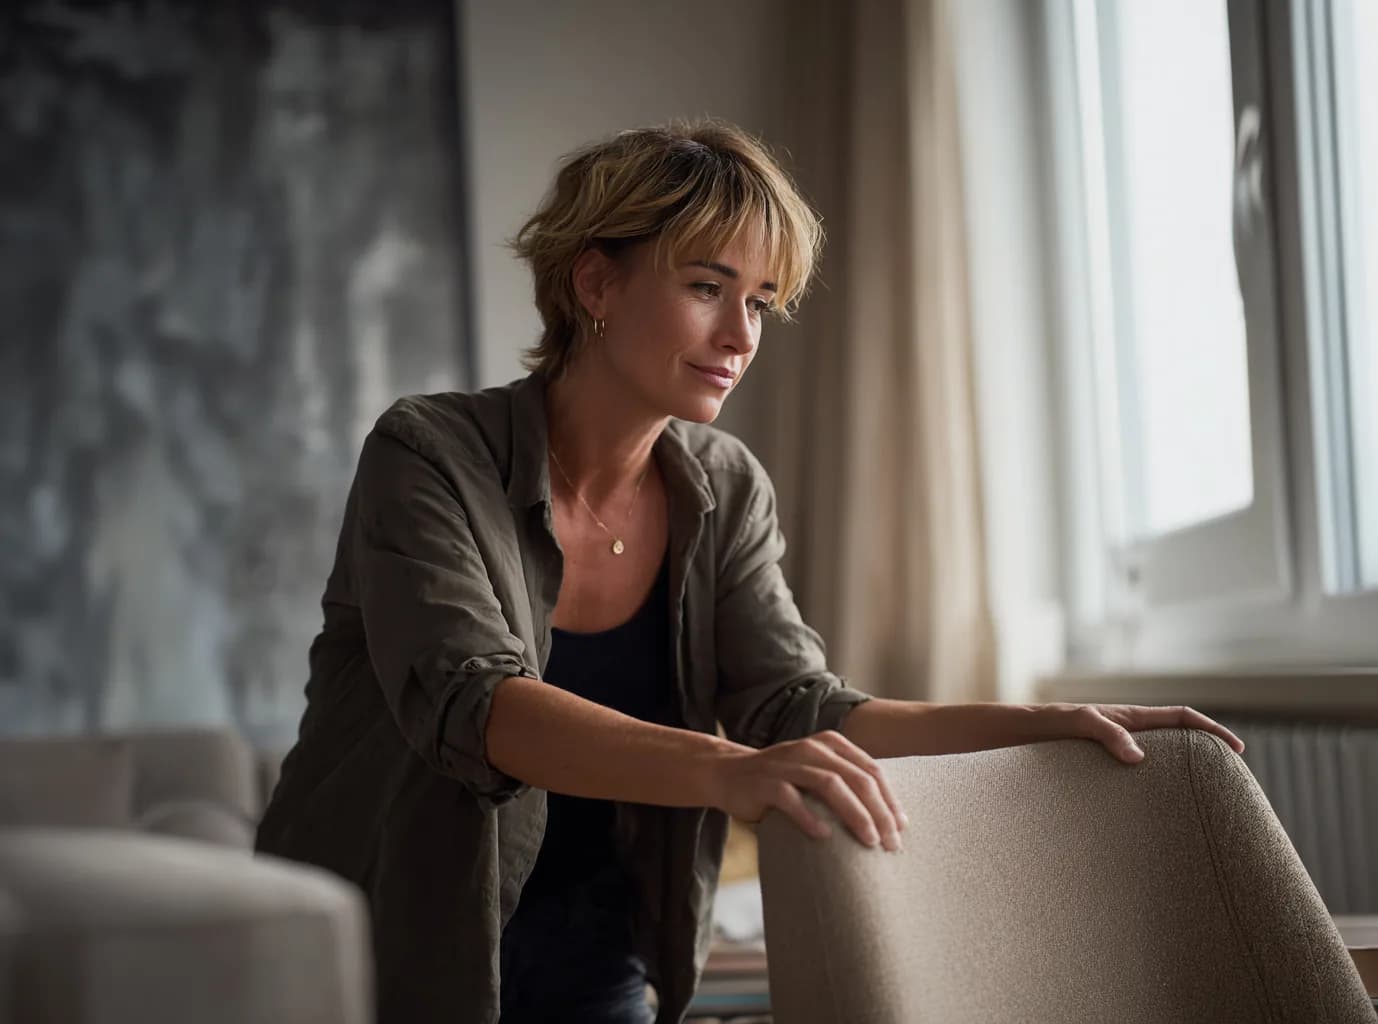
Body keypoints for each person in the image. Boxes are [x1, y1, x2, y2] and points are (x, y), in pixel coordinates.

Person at [255, 118, 1245, 1024]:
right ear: (595, 284)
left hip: (599, 950)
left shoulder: (723, 486)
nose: (740, 337)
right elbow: (477, 708)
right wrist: (734, 771)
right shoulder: (428, 452)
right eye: (705, 287)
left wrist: (1037, 726)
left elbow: (798, 707)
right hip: (380, 946)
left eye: (760, 302)